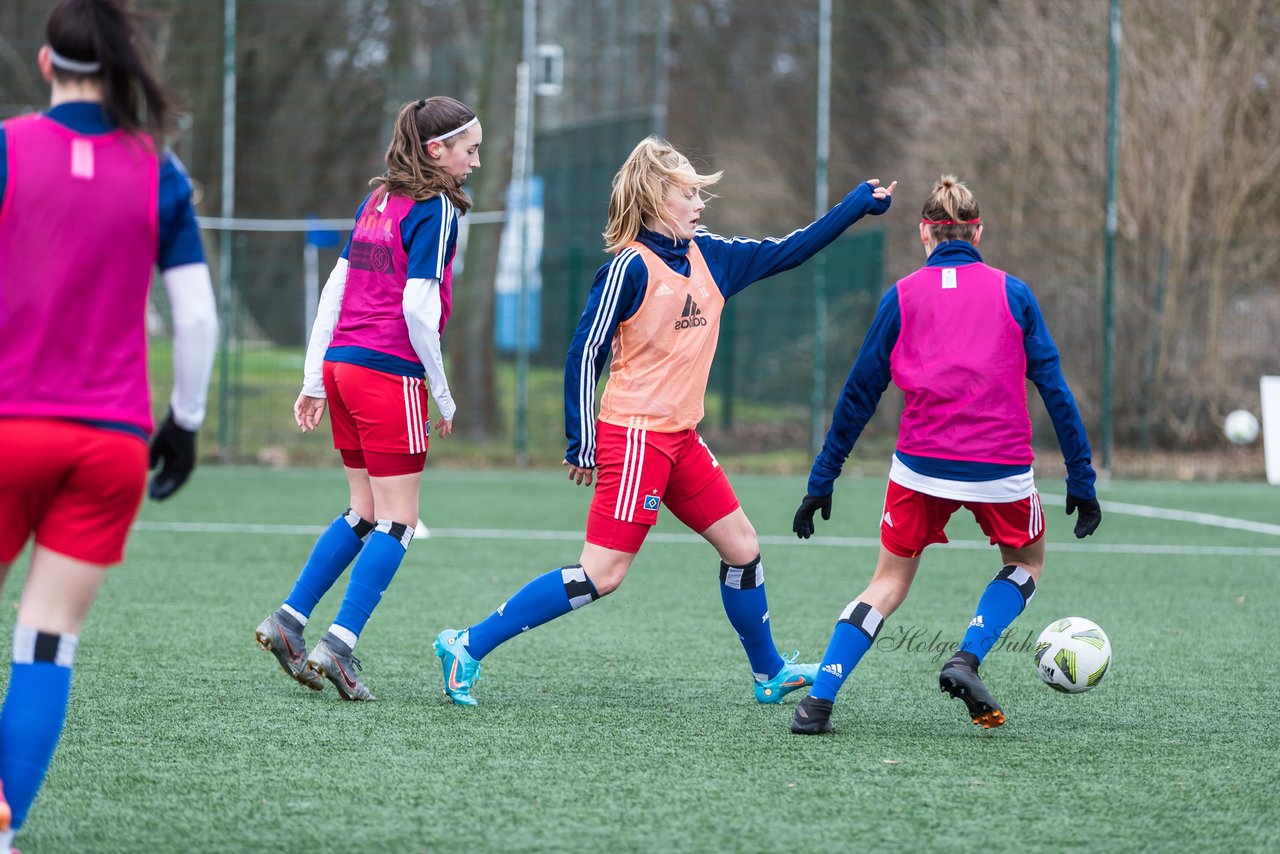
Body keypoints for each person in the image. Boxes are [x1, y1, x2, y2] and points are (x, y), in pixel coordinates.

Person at [434, 136, 895, 706]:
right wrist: (582, 439)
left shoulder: (714, 257)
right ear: (656, 200)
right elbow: (585, 352)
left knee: (743, 548)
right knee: (601, 574)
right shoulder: (629, 268)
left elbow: (792, 249)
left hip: (680, 439)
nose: (700, 204)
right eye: (689, 194)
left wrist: (855, 205)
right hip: (633, 439)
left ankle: (768, 672)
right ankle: (467, 645)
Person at [0, 0, 219, 847]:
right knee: (47, 642)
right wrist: (185, 422)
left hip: (9, 424)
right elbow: (194, 318)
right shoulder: (155, 166)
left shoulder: (10, 148)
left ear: (49, 66)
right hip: (111, 444)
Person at [787, 175, 1102, 736]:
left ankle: (818, 703)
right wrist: (1082, 476)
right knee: (1026, 564)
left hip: (920, 465)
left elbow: (859, 393)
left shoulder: (903, 295)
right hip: (1001, 469)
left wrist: (822, 478)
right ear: (976, 231)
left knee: (886, 583)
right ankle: (966, 657)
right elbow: (1054, 389)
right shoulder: (1014, 292)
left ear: (923, 235)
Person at [254, 96, 481, 701]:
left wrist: (311, 379)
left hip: (342, 368)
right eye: (470, 150)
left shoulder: (378, 198)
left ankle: (289, 620)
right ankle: (338, 645)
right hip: (388, 373)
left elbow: (335, 289)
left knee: (364, 512)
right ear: (438, 151)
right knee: (400, 521)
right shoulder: (438, 208)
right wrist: (441, 389)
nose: (476, 162)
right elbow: (415, 305)